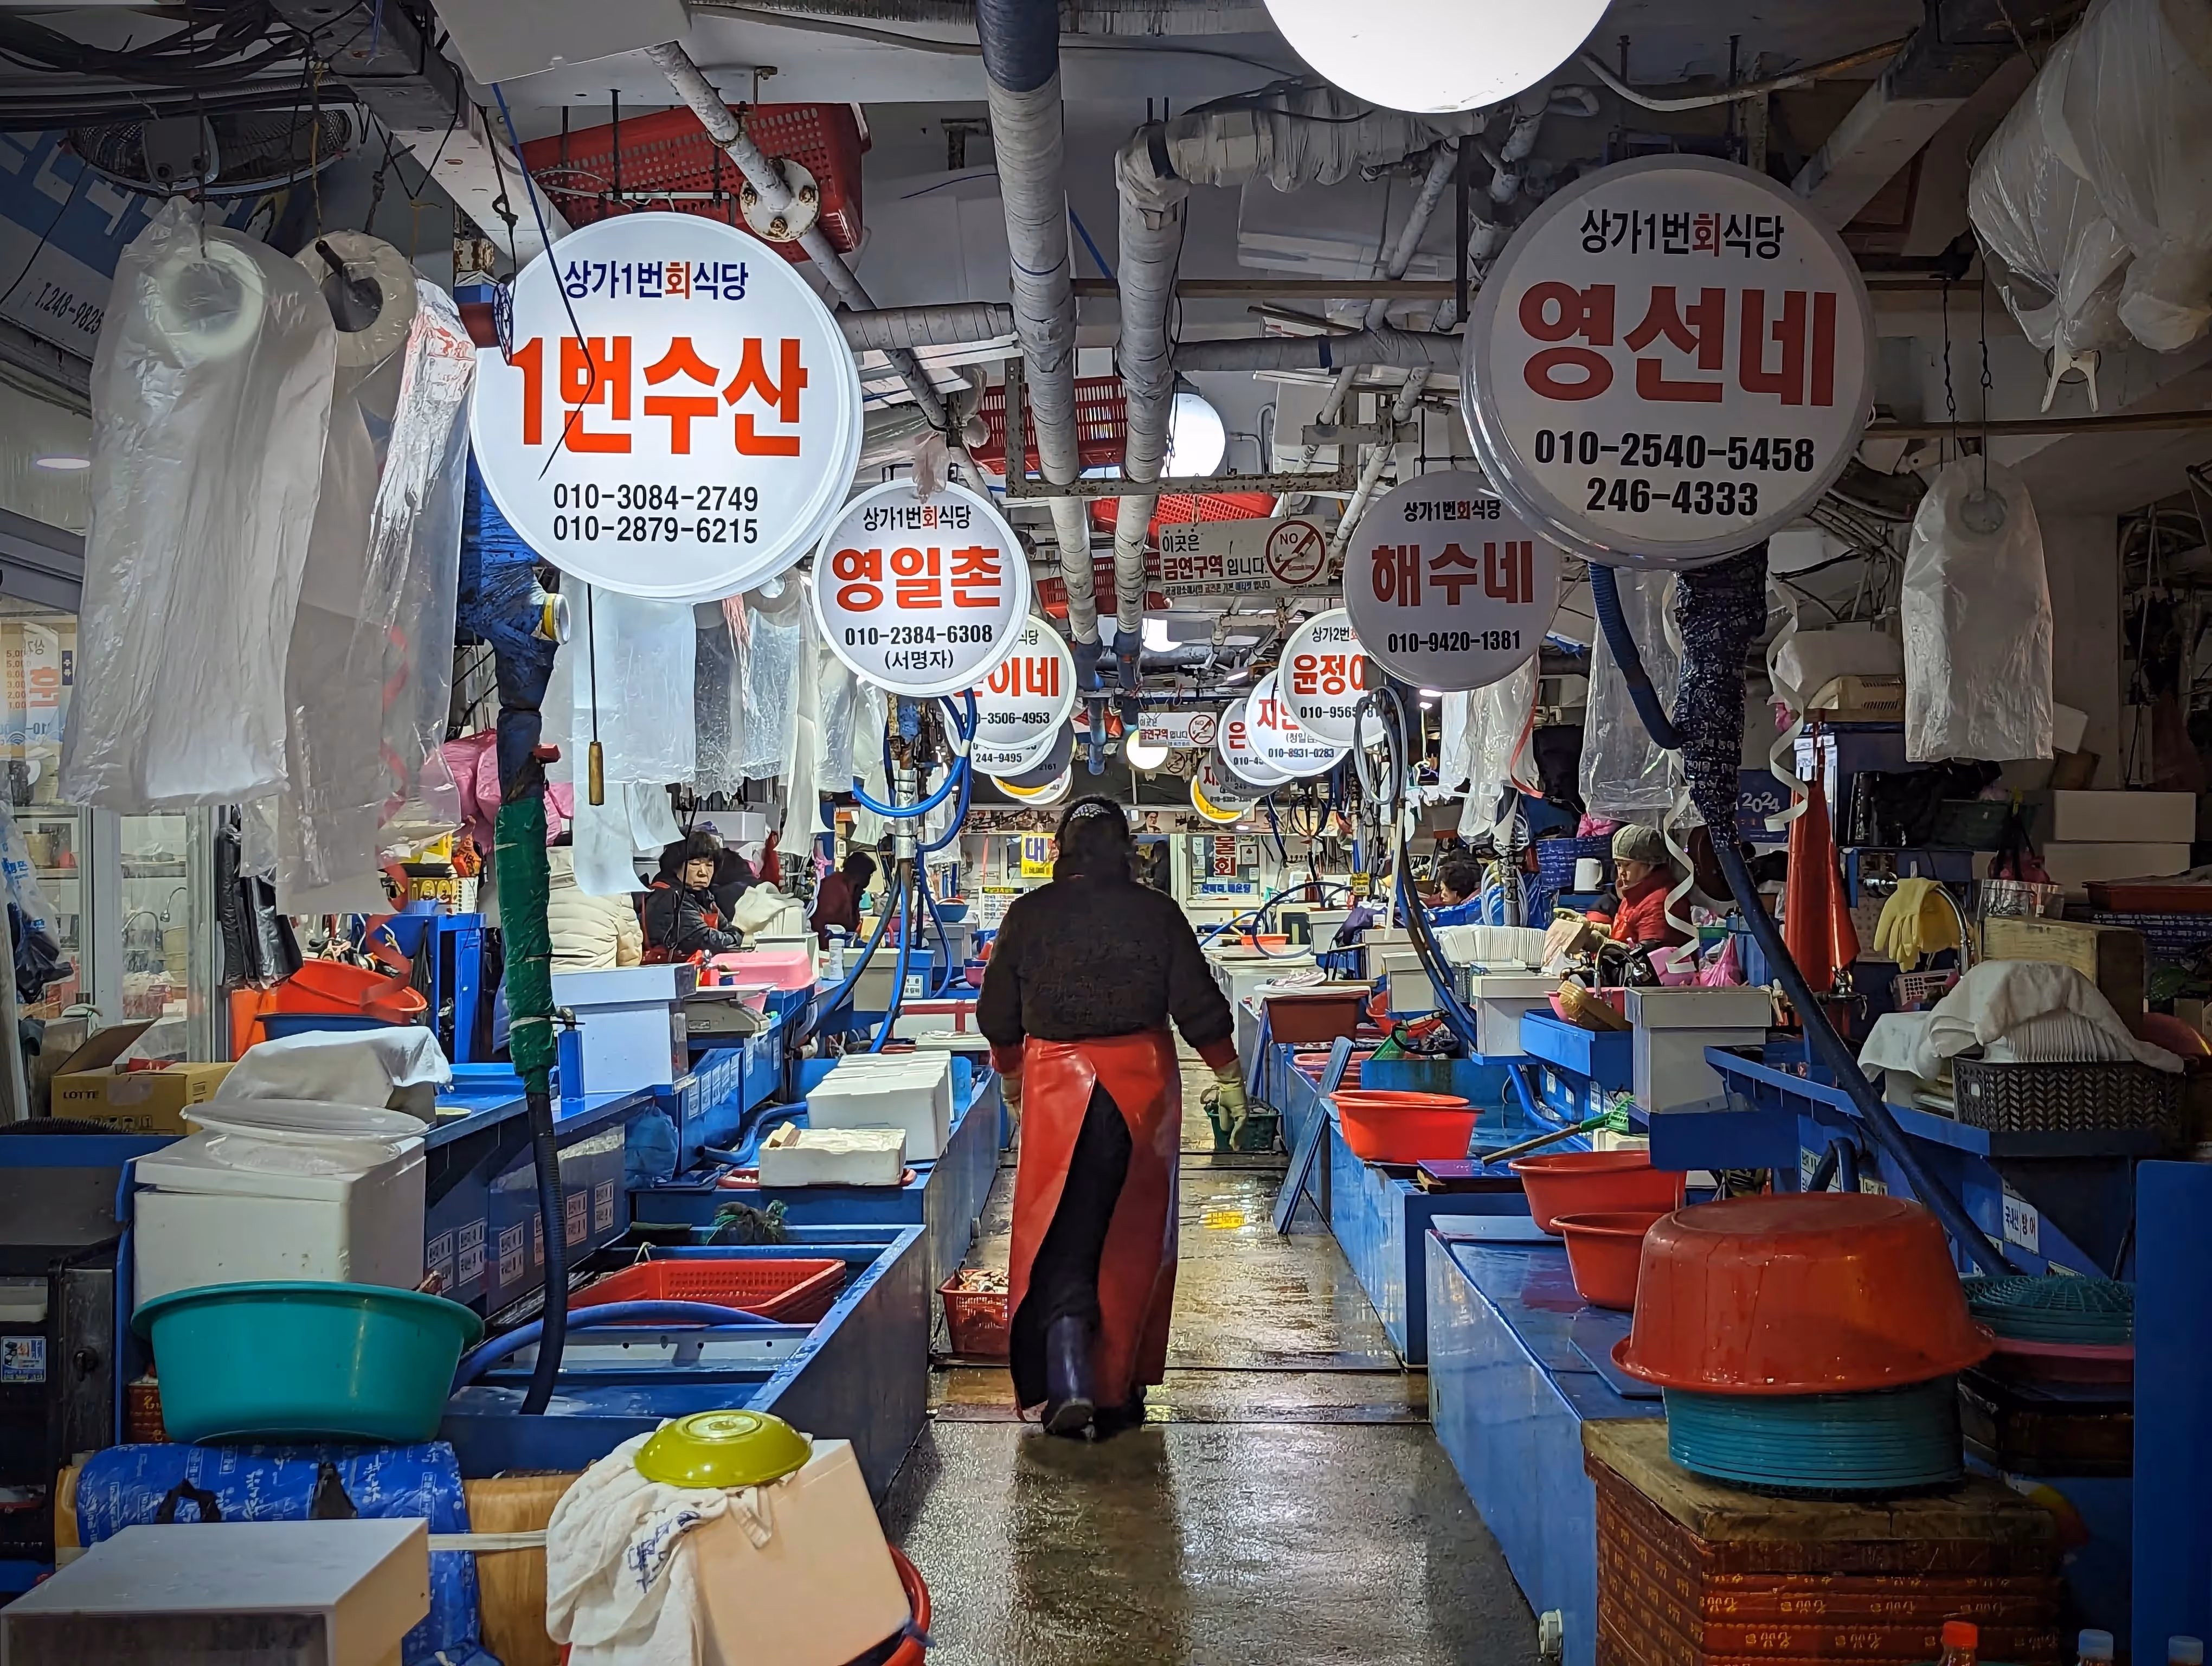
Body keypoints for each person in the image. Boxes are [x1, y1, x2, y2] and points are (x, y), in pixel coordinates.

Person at [977, 796, 1243, 1438]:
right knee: (1131, 1243)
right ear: (1127, 850)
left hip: (1056, 1089)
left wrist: (1012, 1077)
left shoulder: (1028, 914)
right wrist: (1228, 1073)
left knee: (1062, 1235)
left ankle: (1069, 1380)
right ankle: (1116, 1391)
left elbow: (997, 1014)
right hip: (1143, 1091)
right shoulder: (1157, 913)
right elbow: (1197, 1001)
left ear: (1062, 851)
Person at [641, 831, 745, 960]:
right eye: (695, 864)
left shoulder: (702, 896)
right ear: (675, 867)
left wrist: (733, 936)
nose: (703, 872)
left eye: (709, 865)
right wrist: (736, 937)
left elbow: (727, 928)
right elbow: (706, 940)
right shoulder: (669, 897)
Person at [545, 835, 643, 971]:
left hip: (537, 986)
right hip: (593, 985)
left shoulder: (529, 888)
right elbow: (630, 956)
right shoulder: (616, 889)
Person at [1609, 823, 1689, 948]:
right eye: (1618, 865)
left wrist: (1602, 945)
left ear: (1650, 865)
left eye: (1627, 865)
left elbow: (1648, 956)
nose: (1621, 873)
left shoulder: (1659, 903)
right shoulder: (1633, 895)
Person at [812, 850, 878, 947]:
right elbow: (837, 923)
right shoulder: (835, 887)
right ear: (860, 874)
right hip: (826, 945)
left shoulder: (850, 888)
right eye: (869, 875)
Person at [1429, 855, 1484, 925]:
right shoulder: (1476, 894)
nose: (1442, 895)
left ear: (1456, 894)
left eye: (1444, 891)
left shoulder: (1468, 911)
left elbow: (1438, 917)